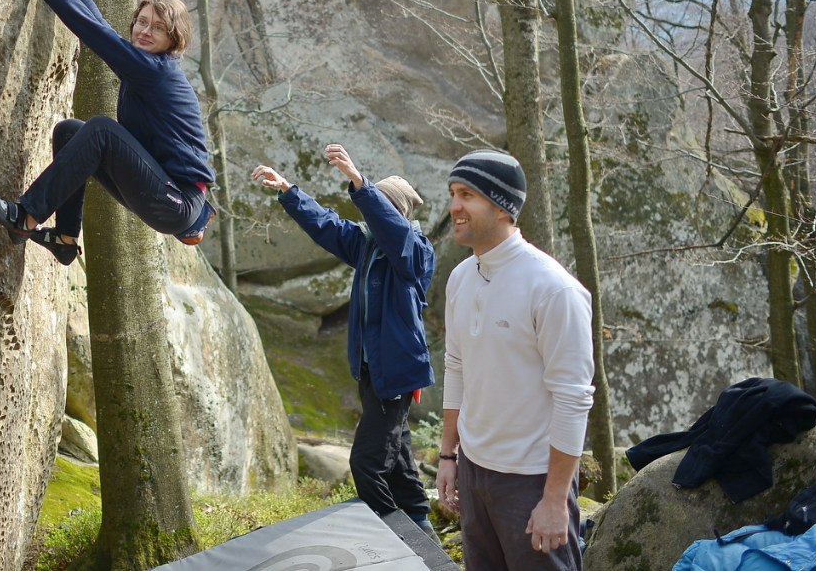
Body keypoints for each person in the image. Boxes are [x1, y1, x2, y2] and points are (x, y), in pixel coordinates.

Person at [0, 0, 215, 265]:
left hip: (177, 201)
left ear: (172, 38)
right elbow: (100, 24)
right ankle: (64, 239)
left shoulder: (157, 71)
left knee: (102, 130)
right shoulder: (144, 64)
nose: (144, 32)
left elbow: (90, 30)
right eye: (141, 22)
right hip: (163, 191)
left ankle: (25, 218)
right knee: (70, 132)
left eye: (157, 28)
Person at [252, 145, 437, 537]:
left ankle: (393, 535)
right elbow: (327, 224)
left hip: (399, 372)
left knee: (367, 463)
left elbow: (393, 231)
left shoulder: (415, 251)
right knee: (399, 454)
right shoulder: (366, 244)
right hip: (373, 371)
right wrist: (288, 190)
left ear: (395, 213)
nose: (367, 216)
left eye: (377, 208)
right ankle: (420, 523)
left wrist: (360, 182)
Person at [435, 149, 595, 570]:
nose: (454, 206)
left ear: (502, 206)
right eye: (453, 193)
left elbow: (573, 398)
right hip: (474, 471)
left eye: (467, 195)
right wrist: (449, 456)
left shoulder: (553, 289)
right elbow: (456, 367)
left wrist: (556, 500)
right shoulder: (461, 278)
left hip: (532, 482)